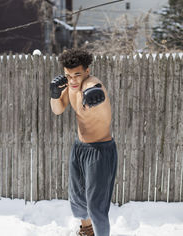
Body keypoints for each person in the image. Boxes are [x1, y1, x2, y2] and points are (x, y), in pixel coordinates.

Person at [50, 48, 117, 236]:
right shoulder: (70, 87)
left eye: (77, 75)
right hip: (79, 148)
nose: (72, 80)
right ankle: (87, 230)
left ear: (87, 71)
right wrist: (54, 94)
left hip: (100, 151)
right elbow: (57, 110)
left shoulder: (92, 83)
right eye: (68, 75)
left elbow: (94, 87)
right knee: (78, 200)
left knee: (96, 206)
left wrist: (94, 94)